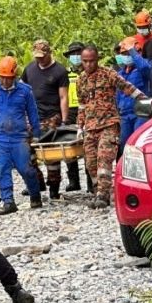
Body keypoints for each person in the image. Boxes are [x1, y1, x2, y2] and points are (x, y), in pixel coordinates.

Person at [76, 45, 147, 209]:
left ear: (97, 59)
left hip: (109, 124)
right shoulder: (80, 80)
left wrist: (144, 100)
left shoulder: (108, 74)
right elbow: (81, 105)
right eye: (85, 61)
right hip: (90, 126)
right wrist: (80, 127)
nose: (88, 65)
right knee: (91, 163)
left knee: (104, 159)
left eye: (91, 61)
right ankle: (98, 192)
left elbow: (127, 87)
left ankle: (103, 195)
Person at [0, 56, 43, 215]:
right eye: (2, 78)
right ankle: (8, 201)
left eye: (8, 78)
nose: (5, 81)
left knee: (26, 169)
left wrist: (36, 135)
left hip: (19, 138)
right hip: (1, 138)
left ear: (14, 76)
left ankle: (35, 196)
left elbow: (33, 113)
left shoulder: (25, 91)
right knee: (1, 169)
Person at [21, 39, 70, 200]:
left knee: (50, 154)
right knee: (26, 152)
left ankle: (54, 187)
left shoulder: (59, 71)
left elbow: (63, 97)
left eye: (42, 56)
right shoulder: (29, 69)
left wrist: (64, 120)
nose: (39, 60)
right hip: (32, 116)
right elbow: (22, 90)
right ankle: (37, 182)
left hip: (51, 116)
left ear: (49, 53)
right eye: (37, 57)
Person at [62, 41, 93, 193]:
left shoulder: (89, 72)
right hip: (70, 111)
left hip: (87, 110)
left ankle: (90, 182)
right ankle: (73, 180)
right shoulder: (65, 73)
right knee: (69, 146)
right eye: (72, 55)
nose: (75, 57)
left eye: (77, 54)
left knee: (88, 147)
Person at [116, 37, 152, 158]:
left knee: (139, 144)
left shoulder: (143, 67)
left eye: (128, 53)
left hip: (140, 114)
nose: (126, 56)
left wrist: (132, 51)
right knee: (123, 145)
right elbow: (118, 95)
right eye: (124, 54)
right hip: (125, 115)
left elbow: (145, 68)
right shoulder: (121, 74)